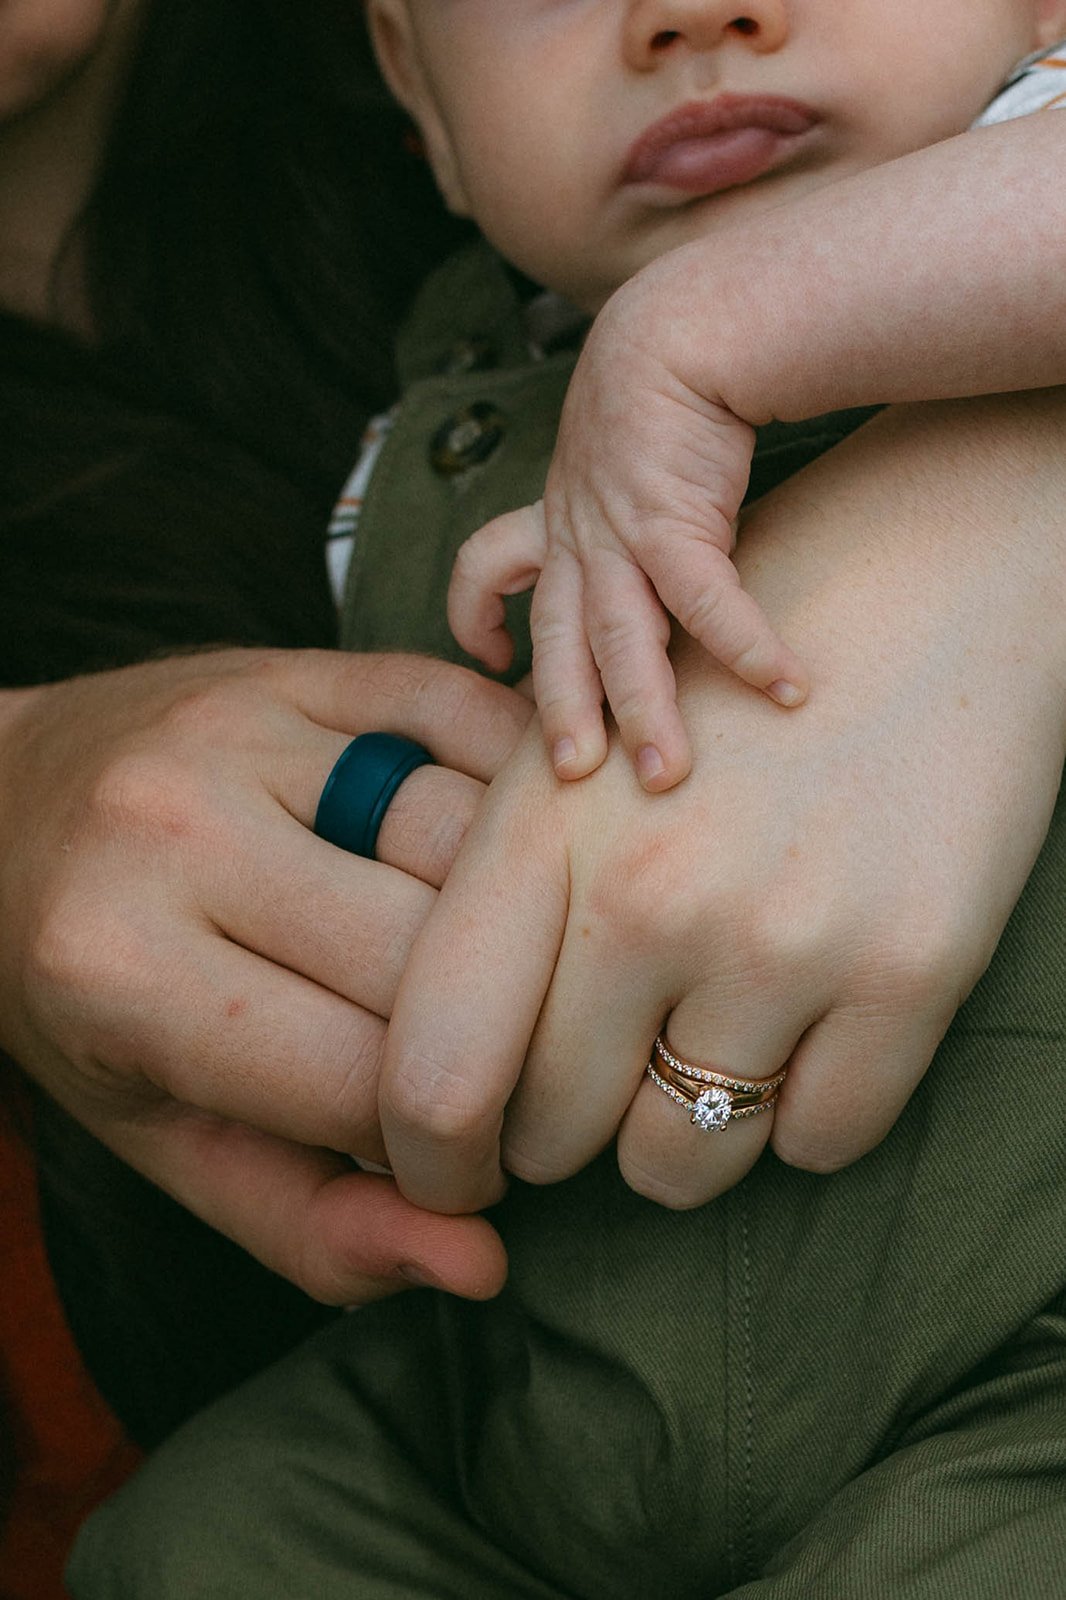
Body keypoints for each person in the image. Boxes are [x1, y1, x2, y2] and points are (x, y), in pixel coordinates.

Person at [65, 2, 1066, 1592]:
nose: (686, 12)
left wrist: (706, 324)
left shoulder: (1028, 149)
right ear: (417, 92)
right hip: (518, 1387)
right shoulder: (425, 395)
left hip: (1025, 1385)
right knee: (200, 1534)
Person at [368, 0, 1066, 791]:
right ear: (415, 76)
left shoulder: (1041, 119)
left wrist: (696, 322)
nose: (689, 13)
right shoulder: (408, 445)